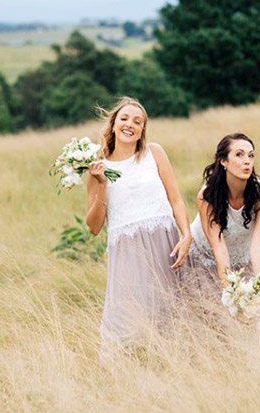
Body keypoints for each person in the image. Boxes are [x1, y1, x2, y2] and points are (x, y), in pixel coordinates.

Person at [85, 97, 192, 359]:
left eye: (137, 121)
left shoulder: (154, 153)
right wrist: (101, 184)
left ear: (143, 129)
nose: (129, 125)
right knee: (127, 319)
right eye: (124, 119)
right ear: (113, 124)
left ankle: (169, 367)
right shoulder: (98, 168)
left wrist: (187, 235)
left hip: (164, 244)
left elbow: (176, 200)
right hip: (127, 251)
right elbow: (94, 226)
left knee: (169, 313)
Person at [185, 133, 260, 301]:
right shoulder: (207, 196)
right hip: (203, 257)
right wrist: (230, 293)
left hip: (240, 260)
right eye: (239, 154)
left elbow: (258, 246)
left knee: (249, 308)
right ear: (223, 161)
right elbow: (219, 249)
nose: (247, 161)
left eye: (251, 155)